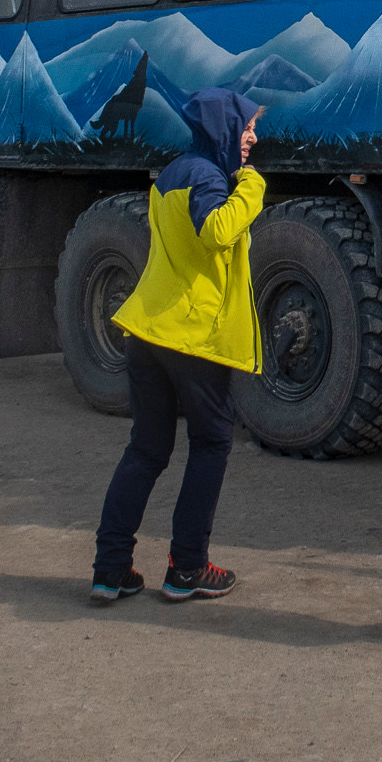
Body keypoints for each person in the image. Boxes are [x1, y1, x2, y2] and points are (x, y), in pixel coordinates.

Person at [88, 87, 266, 604]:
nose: (252, 137)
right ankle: (187, 568)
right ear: (223, 127)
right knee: (211, 444)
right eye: (246, 126)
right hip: (192, 335)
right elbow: (216, 230)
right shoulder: (211, 177)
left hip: (149, 331)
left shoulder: (172, 173)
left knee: (146, 449)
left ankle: (110, 568)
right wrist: (252, 186)